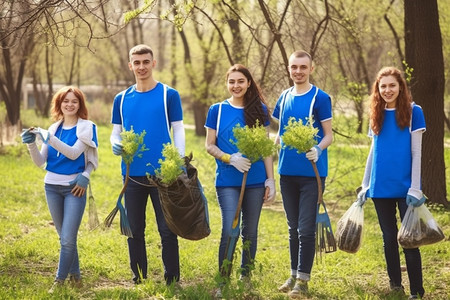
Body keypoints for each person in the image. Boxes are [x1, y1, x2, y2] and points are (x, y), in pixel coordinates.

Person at [110, 44, 185, 285]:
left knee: (167, 229)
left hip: (164, 174)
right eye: (137, 62)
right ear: (130, 65)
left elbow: (179, 129)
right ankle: (138, 277)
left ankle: (172, 279)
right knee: (135, 230)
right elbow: (116, 132)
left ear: (153, 63)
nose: (141, 67)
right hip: (132, 175)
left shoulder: (168, 95)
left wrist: (178, 161)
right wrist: (115, 143)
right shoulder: (121, 99)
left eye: (145, 62)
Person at [205, 64, 276, 296]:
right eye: (232, 81)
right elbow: (209, 145)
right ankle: (222, 280)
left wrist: (270, 180)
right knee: (229, 229)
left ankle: (245, 277)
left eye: (240, 81)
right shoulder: (217, 110)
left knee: (251, 232)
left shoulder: (260, 110)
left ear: (248, 84)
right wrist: (229, 157)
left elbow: (266, 148)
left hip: (255, 180)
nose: (236, 86)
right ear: (227, 83)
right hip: (227, 180)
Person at [21, 86, 98, 293]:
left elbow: (74, 154)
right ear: (59, 104)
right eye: (66, 101)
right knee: (65, 237)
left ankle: (59, 281)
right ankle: (76, 277)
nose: (70, 105)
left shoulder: (86, 128)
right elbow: (40, 162)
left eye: (74, 101)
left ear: (80, 104)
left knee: (67, 238)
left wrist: (47, 138)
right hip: (51, 188)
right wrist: (31, 145)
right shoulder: (54, 128)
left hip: (75, 189)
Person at [357, 66, 426, 299]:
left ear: (400, 87)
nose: (387, 90)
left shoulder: (414, 112)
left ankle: (417, 290)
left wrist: (416, 187)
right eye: (383, 86)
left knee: (409, 239)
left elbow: (417, 152)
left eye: (392, 85)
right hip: (380, 187)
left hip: (406, 188)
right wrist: (365, 184)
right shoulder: (375, 113)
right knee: (389, 239)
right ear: (378, 88)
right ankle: (396, 285)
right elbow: (373, 151)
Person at [272, 50, 333, 298]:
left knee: (306, 229)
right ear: (289, 69)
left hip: (312, 174)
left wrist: (318, 148)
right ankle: (293, 274)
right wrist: (270, 146)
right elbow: (280, 132)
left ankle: (303, 282)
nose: (298, 71)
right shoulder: (284, 96)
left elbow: (329, 134)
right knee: (292, 227)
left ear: (311, 68)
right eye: (294, 67)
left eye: (303, 67)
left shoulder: (320, 98)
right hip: (286, 172)